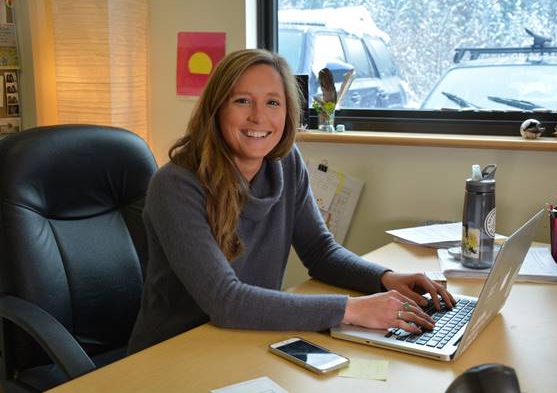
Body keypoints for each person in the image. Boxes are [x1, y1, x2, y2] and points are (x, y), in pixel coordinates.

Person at [128, 48, 455, 354]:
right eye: (242, 101)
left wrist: (384, 278)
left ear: (288, 111)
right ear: (216, 109)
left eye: (273, 103)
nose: (259, 117)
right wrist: (352, 309)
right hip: (175, 354)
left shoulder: (285, 163)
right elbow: (225, 300)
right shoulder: (175, 185)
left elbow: (320, 252)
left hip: (249, 339)